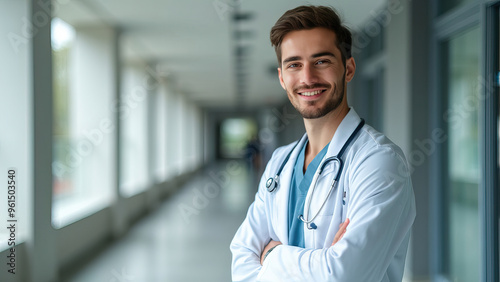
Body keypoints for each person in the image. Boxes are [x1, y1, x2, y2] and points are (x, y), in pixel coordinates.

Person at [230, 5, 416, 282]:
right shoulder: (280, 162)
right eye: (294, 64)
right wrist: (322, 261)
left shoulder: (379, 162)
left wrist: (271, 256)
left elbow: (344, 275)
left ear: (348, 68)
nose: (307, 78)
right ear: (282, 78)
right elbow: (241, 264)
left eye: (321, 61)